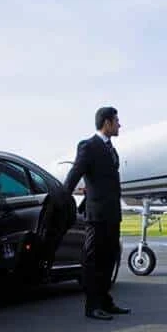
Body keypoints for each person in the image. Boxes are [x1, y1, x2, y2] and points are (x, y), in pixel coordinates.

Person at [63, 106, 129, 320]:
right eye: (117, 121)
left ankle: (105, 301)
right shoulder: (88, 146)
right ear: (107, 123)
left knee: (110, 258)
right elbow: (76, 173)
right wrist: (63, 197)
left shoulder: (111, 148)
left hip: (112, 214)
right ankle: (92, 306)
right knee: (94, 260)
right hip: (97, 215)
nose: (119, 125)